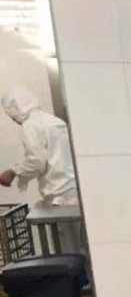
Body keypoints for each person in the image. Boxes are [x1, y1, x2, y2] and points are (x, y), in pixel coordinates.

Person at [1, 86, 82, 253]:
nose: (14, 120)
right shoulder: (55, 121)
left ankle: (74, 270)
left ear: (16, 109)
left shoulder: (31, 125)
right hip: (74, 190)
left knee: (69, 248)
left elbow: (36, 161)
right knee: (81, 242)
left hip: (59, 195)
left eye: (11, 115)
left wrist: (13, 172)